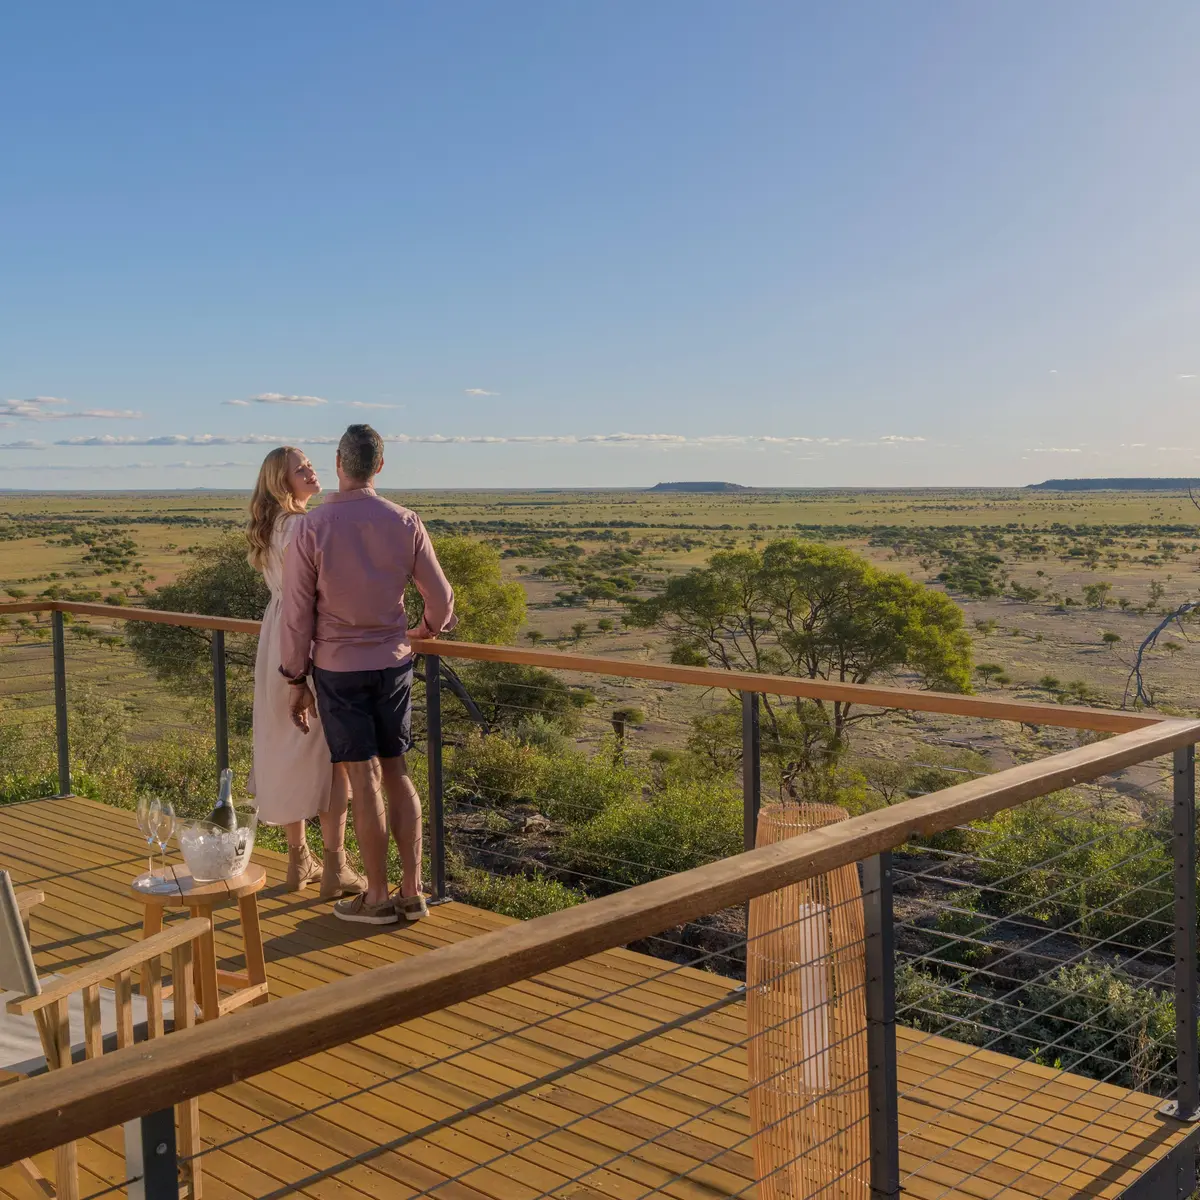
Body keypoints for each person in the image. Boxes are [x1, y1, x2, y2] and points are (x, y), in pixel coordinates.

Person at [278, 424, 456, 924]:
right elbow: (441, 599)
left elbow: (297, 614)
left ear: (339, 463)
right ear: (379, 465)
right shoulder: (405, 521)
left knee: (364, 778)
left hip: (337, 669)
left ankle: (376, 897)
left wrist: (295, 679)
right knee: (397, 772)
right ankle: (412, 892)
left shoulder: (311, 527)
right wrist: (424, 630)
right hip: (393, 664)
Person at [246, 446, 367, 898]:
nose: (312, 471)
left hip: (276, 637)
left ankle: (299, 860)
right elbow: (326, 588)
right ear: (282, 481)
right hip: (310, 637)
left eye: (311, 464)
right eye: (301, 469)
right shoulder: (303, 525)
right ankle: (336, 866)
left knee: (288, 749)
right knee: (330, 756)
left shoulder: (272, 525)